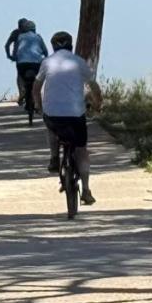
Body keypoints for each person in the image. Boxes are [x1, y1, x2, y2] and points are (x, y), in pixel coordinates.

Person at [33, 30, 103, 205]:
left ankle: (54, 157)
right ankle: (86, 190)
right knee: (82, 150)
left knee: (50, 125)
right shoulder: (79, 62)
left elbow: (36, 87)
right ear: (71, 45)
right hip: (76, 115)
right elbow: (94, 87)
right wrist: (97, 105)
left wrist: (39, 106)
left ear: (53, 46)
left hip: (53, 114)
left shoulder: (47, 62)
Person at [11, 20, 48, 109]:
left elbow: (15, 51)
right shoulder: (38, 37)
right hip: (36, 64)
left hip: (22, 64)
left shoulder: (20, 37)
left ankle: (23, 93)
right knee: (37, 79)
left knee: (21, 76)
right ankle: (37, 101)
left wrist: (14, 57)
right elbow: (45, 51)